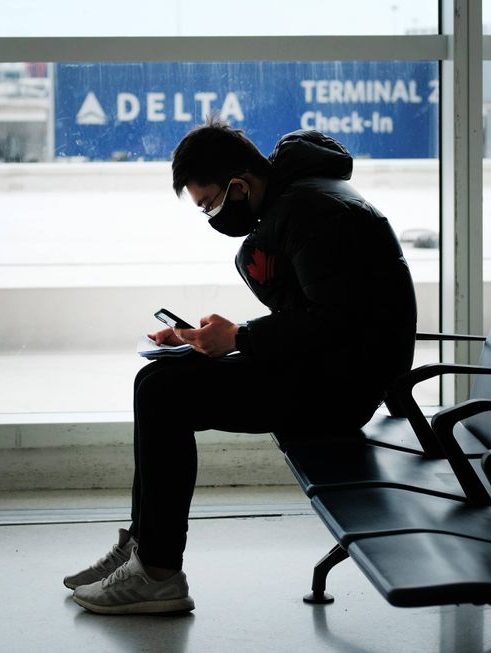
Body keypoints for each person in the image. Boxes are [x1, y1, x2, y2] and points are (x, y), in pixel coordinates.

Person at [65, 121, 417, 615]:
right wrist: (209, 340)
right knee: (156, 379)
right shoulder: (303, 200)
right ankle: (144, 549)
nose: (211, 216)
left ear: (240, 185)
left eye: (209, 203)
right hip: (330, 371)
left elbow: (337, 323)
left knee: (162, 394)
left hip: (340, 391)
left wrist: (240, 337)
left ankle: (158, 572)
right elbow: (317, 317)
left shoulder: (314, 211)